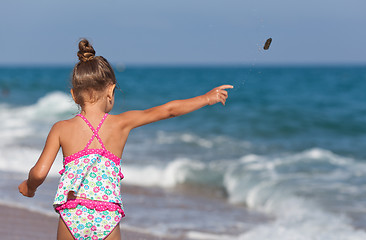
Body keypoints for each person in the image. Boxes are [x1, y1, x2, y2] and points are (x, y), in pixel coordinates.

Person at [18, 39, 233, 240]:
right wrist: (206, 98)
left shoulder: (61, 128)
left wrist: (30, 187)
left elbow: (39, 173)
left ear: (74, 95)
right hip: (108, 217)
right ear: (111, 90)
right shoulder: (122, 123)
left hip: (72, 214)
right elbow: (168, 111)